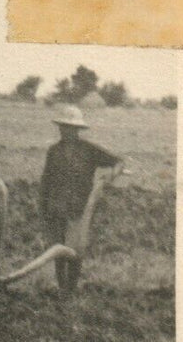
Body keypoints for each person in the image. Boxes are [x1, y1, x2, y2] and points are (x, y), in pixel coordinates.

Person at [39, 105, 124, 294]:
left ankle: (72, 288)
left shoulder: (89, 150)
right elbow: (46, 180)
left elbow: (118, 161)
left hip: (79, 208)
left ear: (77, 130)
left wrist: (111, 175)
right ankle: (62, 288)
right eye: (63, 126)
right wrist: (43, 206)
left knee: (76, 250)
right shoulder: (53, 151)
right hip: (56, 207)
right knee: (57, 249)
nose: (65, 130)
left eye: (70, 127)